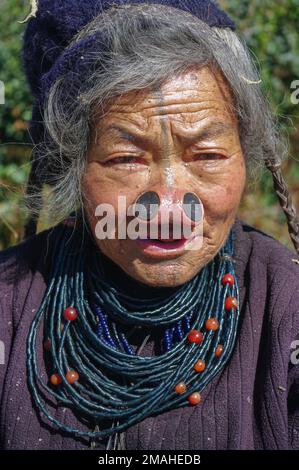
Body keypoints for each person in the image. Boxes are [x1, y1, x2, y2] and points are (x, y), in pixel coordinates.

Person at [1, 0, 299, 450]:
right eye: (126, 159)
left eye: (207, 155)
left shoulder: (288, 307)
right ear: (72, 167)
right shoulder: (8, 306)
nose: (170, 208)